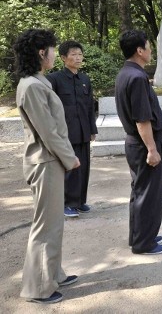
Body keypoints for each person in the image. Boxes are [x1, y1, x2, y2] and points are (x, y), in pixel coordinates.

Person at [13, 29, 81, 304]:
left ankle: (53, 273)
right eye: (53, 49)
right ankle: (39, 288)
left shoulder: (38, 82)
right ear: (42, 53)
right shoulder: (31, 86)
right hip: (45, 161)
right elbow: (48, 131)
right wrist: (70, 157)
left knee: (54, 223)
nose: (56, 54)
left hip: (49, 159)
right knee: (46, 226)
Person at [114, 30, 162, 255]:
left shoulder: (126, 73)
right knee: (148, 193)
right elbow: (142, 118)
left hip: (137, 144)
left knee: (140, 191)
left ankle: (140, 235)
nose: (151, 50)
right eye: (149, 46)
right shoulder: (136, 78)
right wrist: (152, 149)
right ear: (139, 50)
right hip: (144, 144)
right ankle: (144, 243)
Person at [46, 41, 98, 218]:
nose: (78, 58)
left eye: (80, 54)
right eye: (73, 54)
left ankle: (80, 201)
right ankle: (67, 203)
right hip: (65, 132)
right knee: (69, 168)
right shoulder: (54, 79)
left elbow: (90, 106)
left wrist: (92, 129)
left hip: (83, 131)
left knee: (83, 167)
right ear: (63, 58)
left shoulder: (84, 79)